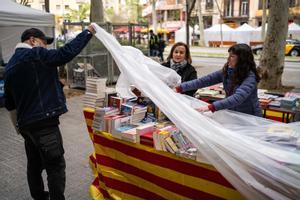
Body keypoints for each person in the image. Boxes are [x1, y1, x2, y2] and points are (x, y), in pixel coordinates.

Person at [4, 25, 95, 200]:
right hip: (44, 124)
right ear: (32, 41)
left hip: (25, 126)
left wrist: (19, 128)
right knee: (55, 166)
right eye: (44, 43)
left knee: (34, 165)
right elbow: (65, 54)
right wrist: (88, 32)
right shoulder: (36, 54)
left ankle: (39, 196)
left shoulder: (10, 65)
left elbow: (10, 103)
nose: (46, 48)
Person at [175, 43, 262, 117]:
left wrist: (211, 107)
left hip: (250, 116)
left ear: (242, 60)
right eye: (229, 55)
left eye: (232, 56)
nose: (228, 59)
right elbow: (204, 81)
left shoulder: (250, 77)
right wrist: (179, 88)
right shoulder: (227, 71)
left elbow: (238, 97)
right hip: (233, 114)